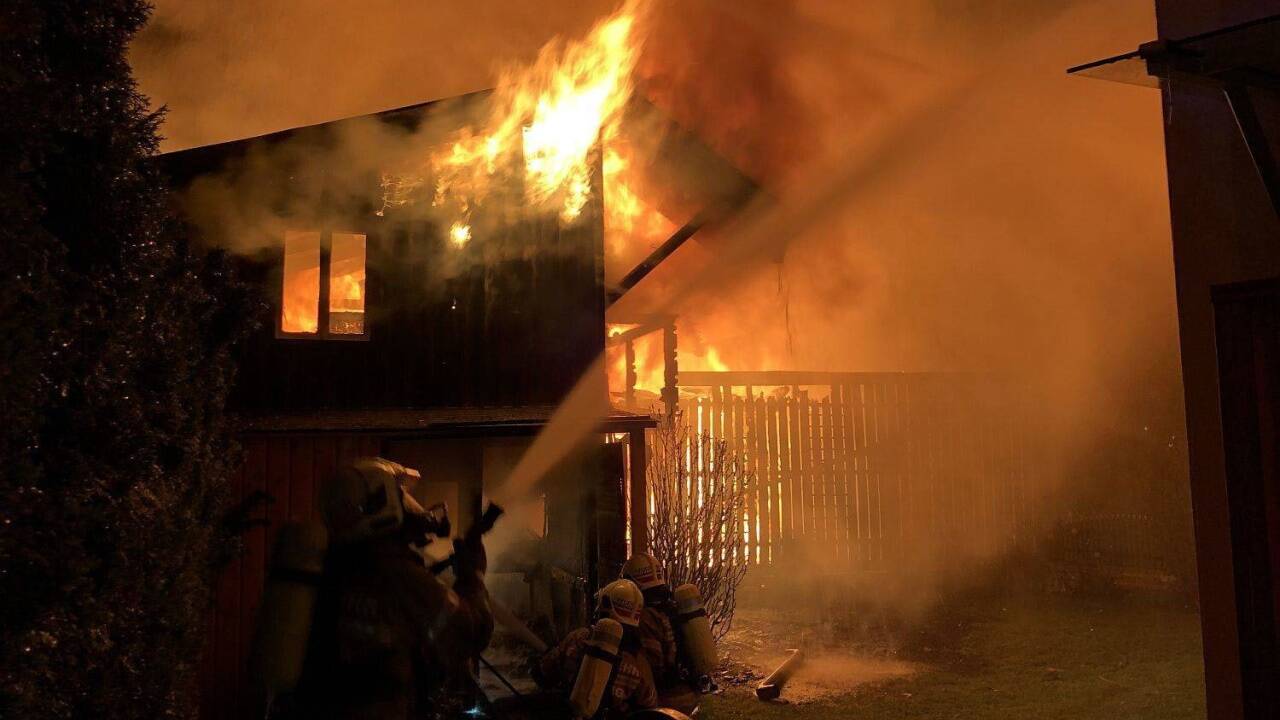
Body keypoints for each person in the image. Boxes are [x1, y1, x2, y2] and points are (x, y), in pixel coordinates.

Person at [293, 457, 493, 720]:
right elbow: (468, 631)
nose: (411, 505)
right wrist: (473, 574)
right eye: (402, 495)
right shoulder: (398, 576)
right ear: (382, 502)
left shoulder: (330, 568)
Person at [536, 579, 658, 717]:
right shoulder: (639, 663)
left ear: (603, 605)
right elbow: (649, 710)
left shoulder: (578, 638)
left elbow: (542, 674)